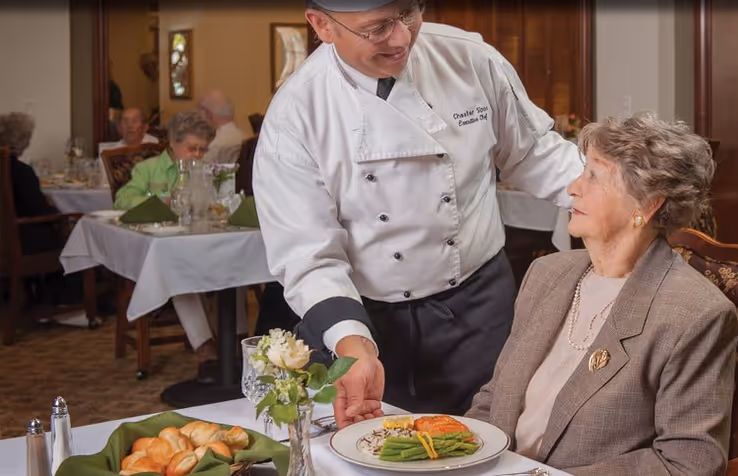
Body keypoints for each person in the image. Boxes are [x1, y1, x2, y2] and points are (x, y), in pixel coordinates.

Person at [253, 0, 583, 427]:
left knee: (493, 436)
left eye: (410, 12)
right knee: (378, 446)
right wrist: (353, 346)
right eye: (377, 28)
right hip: (366, 318)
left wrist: (612, 198)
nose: (403, 37)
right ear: (322, 26)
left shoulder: (468, 57)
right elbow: (307, 255)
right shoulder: (297, 112)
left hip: (478, 306)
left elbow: (535, 153)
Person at [466, 113, 738, 475]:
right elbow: (493, 400)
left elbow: (688, 463)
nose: (572, 188)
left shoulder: (694, 314)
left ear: (647, 205)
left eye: (594, 176)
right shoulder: (547, 274)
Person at [114, 110, 243, 383]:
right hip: (169, 251)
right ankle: (205, 349)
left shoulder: (209, 170)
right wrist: (160, 200)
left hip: (205, 246)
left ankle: (238, 345)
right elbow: (122, 200)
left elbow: (222, 203)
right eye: (192, 148)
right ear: (173, 143)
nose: (198, 155)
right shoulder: (148, 169)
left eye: (203, 150)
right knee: (177, 274)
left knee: (238, 265)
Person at [0, 112, 60, 255]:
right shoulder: (22, 171)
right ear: (24, 140)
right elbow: (40, 211)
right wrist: (58, 211)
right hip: (20, 242)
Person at [198, 90, 244, 164]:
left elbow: (194, 170)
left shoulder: (214, 145)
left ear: (207, 114)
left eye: (198, 112)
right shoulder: (244, 137)